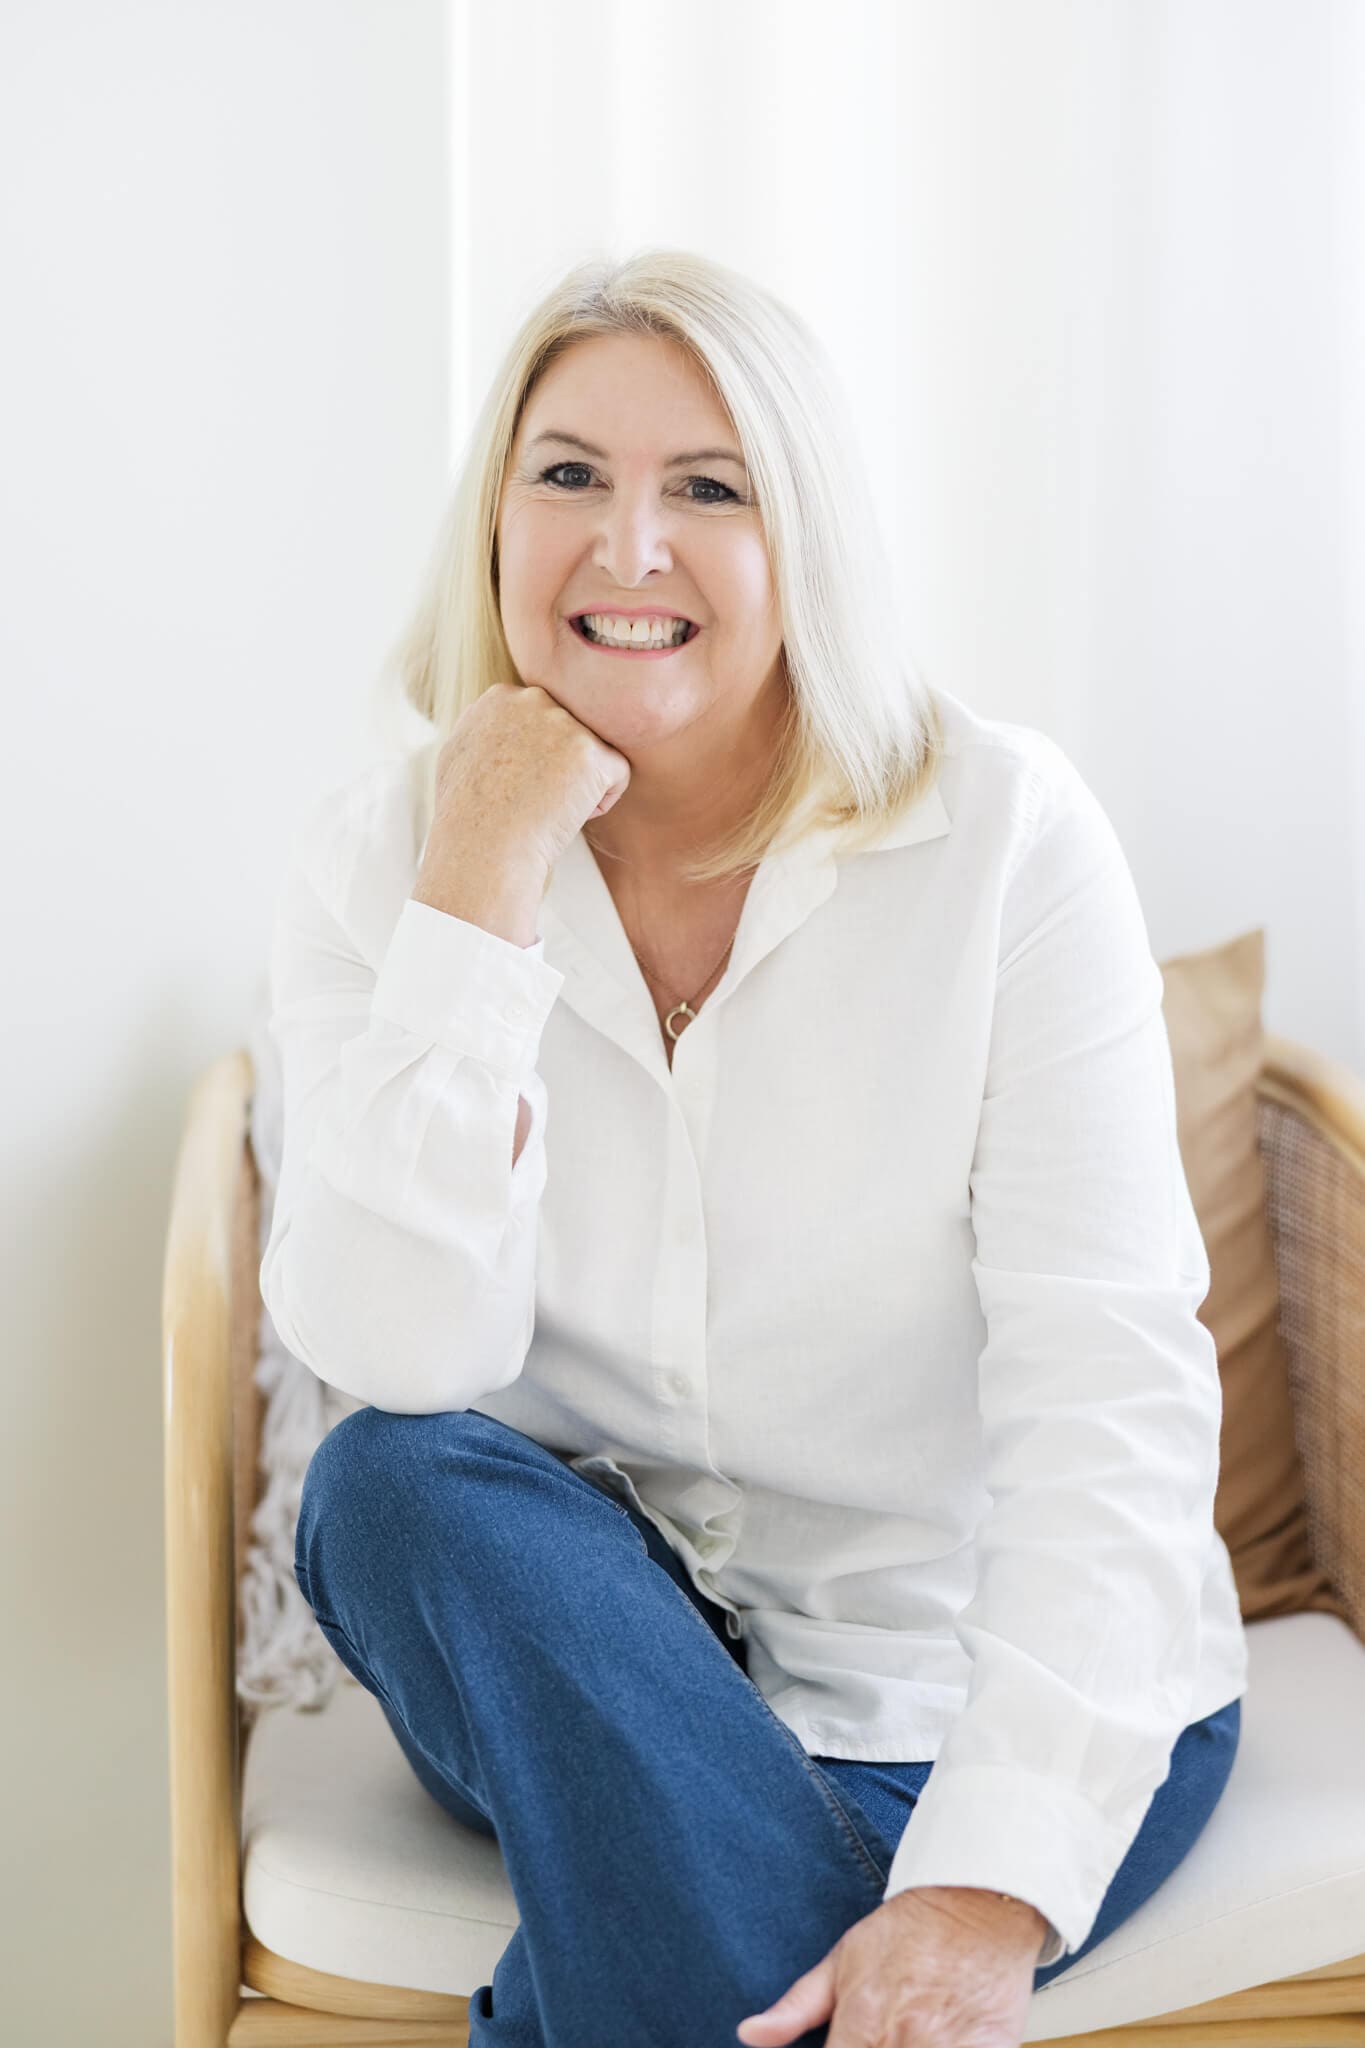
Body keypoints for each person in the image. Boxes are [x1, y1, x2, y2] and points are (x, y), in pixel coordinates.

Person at [268, 247, 1247, 2047]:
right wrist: (477, 885)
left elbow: (1103, 1382)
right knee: (390, 1481)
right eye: (567, 475)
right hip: (583, 1669)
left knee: (684, 1962)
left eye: (705, 489)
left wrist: (976, 1887)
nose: (625, 549)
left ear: (803, 538)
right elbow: (401, 1349)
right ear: (494, 518)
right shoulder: (381, 856)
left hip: (955, 1682)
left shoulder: (1006, 839)